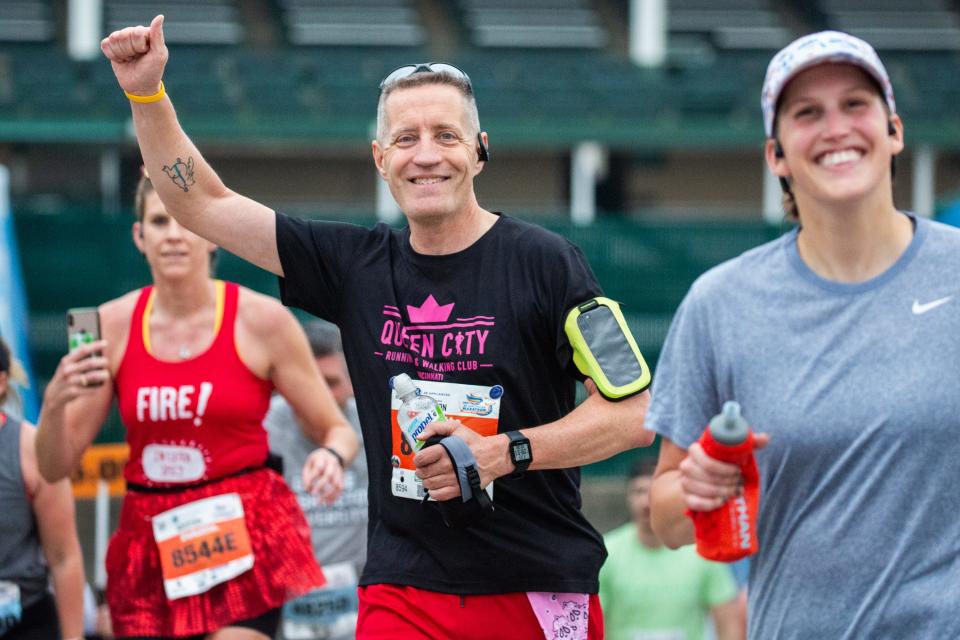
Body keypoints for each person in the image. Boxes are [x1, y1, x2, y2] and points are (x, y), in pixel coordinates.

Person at [99, 16, 653, 639]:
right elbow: (201, 203)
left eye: (446, 135)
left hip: (538, 586)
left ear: (479, 150)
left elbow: (634, 412)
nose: (426, 155)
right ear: (380, 158)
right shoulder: (353, 267)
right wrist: (146, 92)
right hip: (403, 590)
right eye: (406, 137)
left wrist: (505, 453)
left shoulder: (550, 264)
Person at [647, 31, 960, 638]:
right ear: (777, 156)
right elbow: (666, 521)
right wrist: (696, 487)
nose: (836, 127)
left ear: (893, 130)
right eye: (807, 113)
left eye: (855, 104)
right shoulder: (721, 303)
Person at [34, 174, 359, 639]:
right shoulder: (107, 324)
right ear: (139, 236)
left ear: (210, 235)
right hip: (150, 544)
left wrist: (331, 457)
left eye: (185, 221)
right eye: (159, 222)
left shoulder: (262, 320)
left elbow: (338, 429)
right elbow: (55, 465)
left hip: (244, 537)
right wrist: (53, 404)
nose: (173, 235)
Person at [264, 320, 368, 640]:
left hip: (365, 600)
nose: (320, 396)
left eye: (331, 382)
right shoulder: (263, 430)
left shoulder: (374, 427)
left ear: (351, 383)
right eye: (310, 383)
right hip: (285, 606)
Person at [599, 458, 742, 640]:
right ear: (628, 497)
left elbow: (728, 622)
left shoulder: (701, 551)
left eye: (652, 493)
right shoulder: (605, 553)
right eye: (639, 492)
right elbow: (596, 624)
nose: (646, 502)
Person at [0, 337, 85, 639]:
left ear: (1, 382)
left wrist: (73, 636)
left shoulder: (31, 450)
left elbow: (63, 555)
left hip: (23, 619)